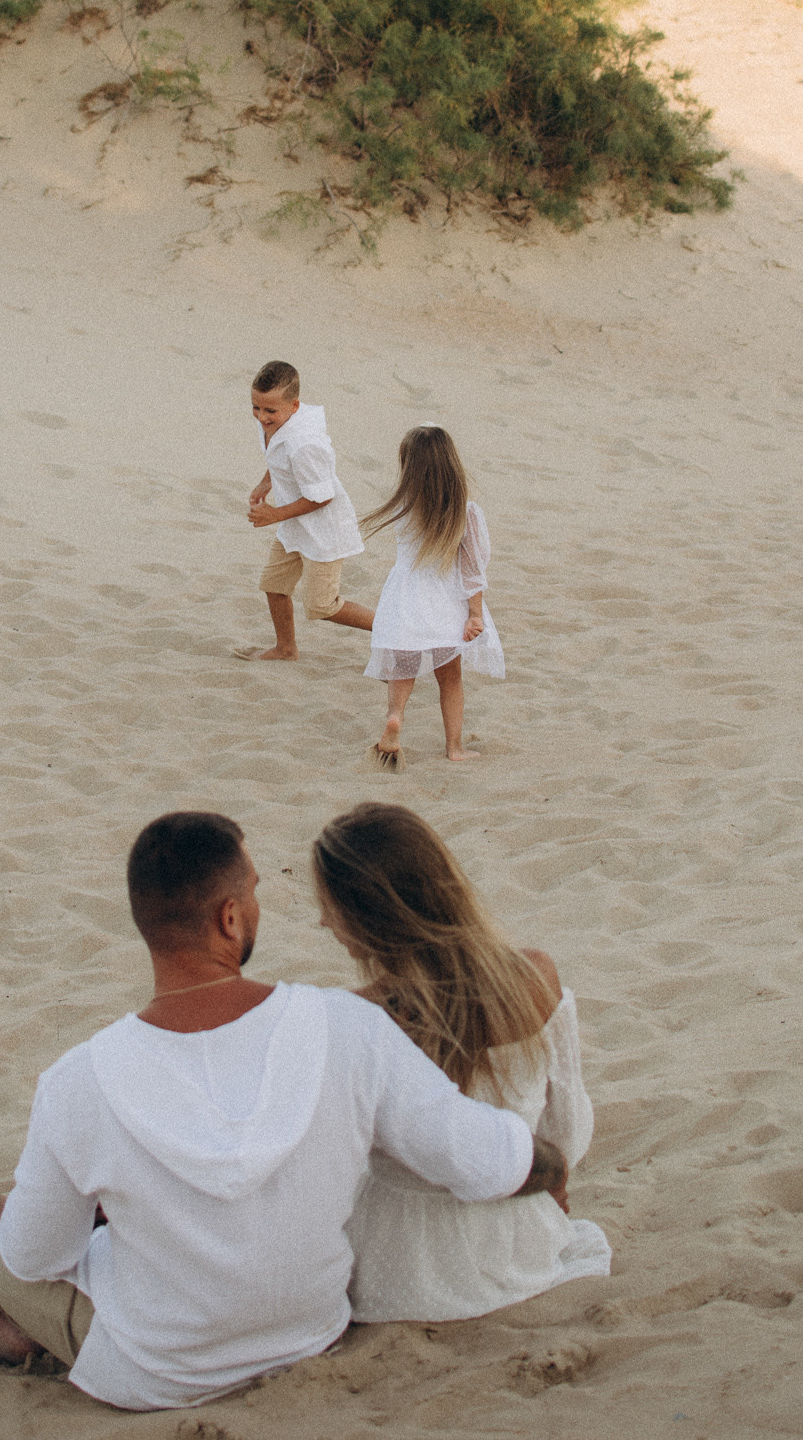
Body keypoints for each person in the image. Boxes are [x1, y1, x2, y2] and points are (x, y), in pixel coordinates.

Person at [0, 810, 569, 1411]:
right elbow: (481, 1158)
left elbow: (37, 1255)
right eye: (255, 891)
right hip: (310, 1332)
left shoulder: (78, 1079)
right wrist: (547, 1164)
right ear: (229, 918)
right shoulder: (345, 1026)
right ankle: (23, 1325)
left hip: (157, 1371)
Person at [312, 802, 612, 1322]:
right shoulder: (533, 980)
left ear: (363, 919)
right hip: (516, 1242)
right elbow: (568, 1132)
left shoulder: (355, 1019)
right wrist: (550, 1175)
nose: (323, 921)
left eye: (330, 908)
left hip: (396, 1267)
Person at [363, 424, 504, 766]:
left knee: (403, 669)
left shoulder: (404, 507)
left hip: (404, 598)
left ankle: (395, 716)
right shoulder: (464, 512)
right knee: (450, 678)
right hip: (445, 603)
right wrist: (474, 615)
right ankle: (454, 747)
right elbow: (472, 571)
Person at [235, 359, 373, 662]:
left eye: (270, 411)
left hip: (323, 530)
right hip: (294, 526)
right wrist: (265, 483)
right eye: (256, 408)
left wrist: (274, 514)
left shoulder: (305, 443)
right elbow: (278, 458)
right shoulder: (275, 422)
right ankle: (286, 649)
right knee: (274, 585)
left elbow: (322, 496)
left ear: (294, 406)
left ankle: (393, 629)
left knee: (321, 606)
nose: (261, 417)